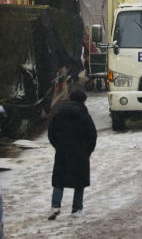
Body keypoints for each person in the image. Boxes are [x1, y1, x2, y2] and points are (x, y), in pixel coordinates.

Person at [48, 90, 97, 220]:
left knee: (59, 180)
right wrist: (87, 151)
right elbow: (92, 135)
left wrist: (58, 146)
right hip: (80, 152)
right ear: (83, 101)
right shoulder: (84, 114)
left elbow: (51, 132)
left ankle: (55, 206)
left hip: (63, 151)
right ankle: (77, 209)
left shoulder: (59, 113)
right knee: (79, 181)